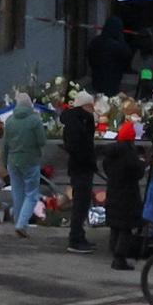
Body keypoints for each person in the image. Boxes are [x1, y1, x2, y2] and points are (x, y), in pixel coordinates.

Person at [1, 91, 50, 236]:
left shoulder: (9, 120)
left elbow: (5, 145)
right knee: (31, 194)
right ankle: (21, 224)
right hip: (30, 161)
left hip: (12, 161)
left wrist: (4, 162)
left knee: (17, 193)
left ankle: (17, 221)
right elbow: (42, 141)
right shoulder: (35, 120)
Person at [101, 119, 148, 270]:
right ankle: (119, 258)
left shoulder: (111, 153)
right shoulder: (129, 154)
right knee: (126, 227)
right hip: (128, 195)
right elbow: (138, 172)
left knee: (115, 225)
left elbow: (107, 168)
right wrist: (142, 161)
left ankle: (114, 251)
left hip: (113, 191)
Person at [60, 92, 99, 253]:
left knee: (82, 203)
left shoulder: (76, 121)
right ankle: (75, 239)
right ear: (85, 106)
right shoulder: (78, 123)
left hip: (80, 166)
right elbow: (78, 146)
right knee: (80, 204)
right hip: (81, 167)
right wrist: (88, 159)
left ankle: (79, 236)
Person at [85, 16, 132, 97]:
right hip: (112, 82)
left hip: (96, 79)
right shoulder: (117, 45)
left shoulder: (95, 41)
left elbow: (89, 56)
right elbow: (127, 55)